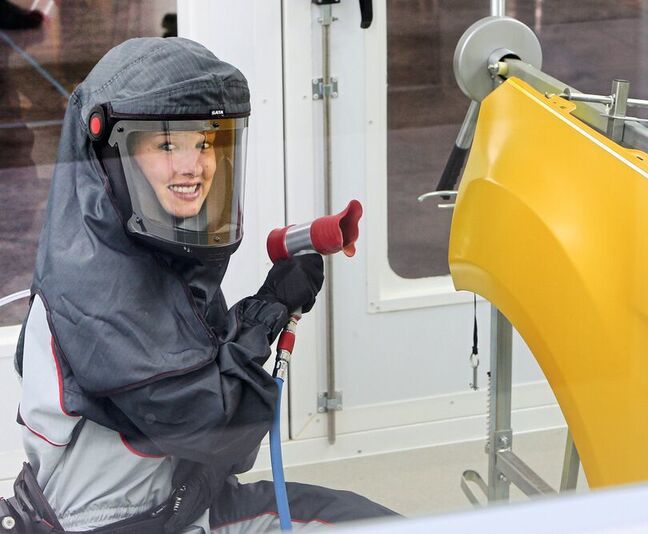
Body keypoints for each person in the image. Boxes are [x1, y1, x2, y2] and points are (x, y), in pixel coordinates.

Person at [1, 37, 396, 532]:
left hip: (183, 503)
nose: (191, 165)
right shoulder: (98, 294)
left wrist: (266, 305)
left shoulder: (144, 248)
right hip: (110, 524)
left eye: (205, 142)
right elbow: (222, 431)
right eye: (167, 144)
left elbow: (195, 378)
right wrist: (268, 312)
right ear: (111, 153)